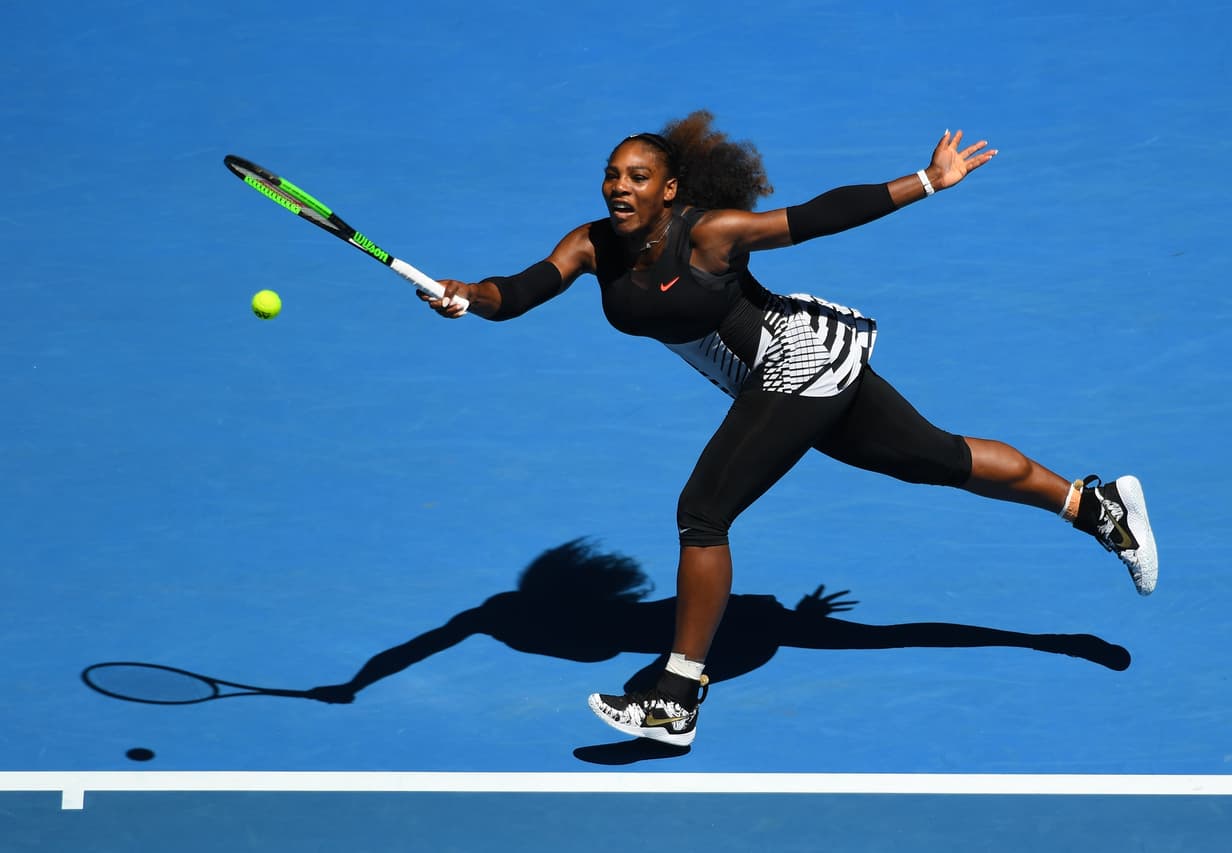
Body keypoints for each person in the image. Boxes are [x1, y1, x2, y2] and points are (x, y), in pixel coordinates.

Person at [421, 110, 1158, 748]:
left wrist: (928, 180)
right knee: (934, 457)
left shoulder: (711, 234)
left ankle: (676, 694)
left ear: (670, 189)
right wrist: (466, 295)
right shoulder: (589, 245)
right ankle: (1096, 506)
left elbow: (816, 216)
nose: (620, 186)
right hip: (769, 380)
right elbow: (515, 293)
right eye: (613, 174)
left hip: (797, 360)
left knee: (703, 511)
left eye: (639, 176)